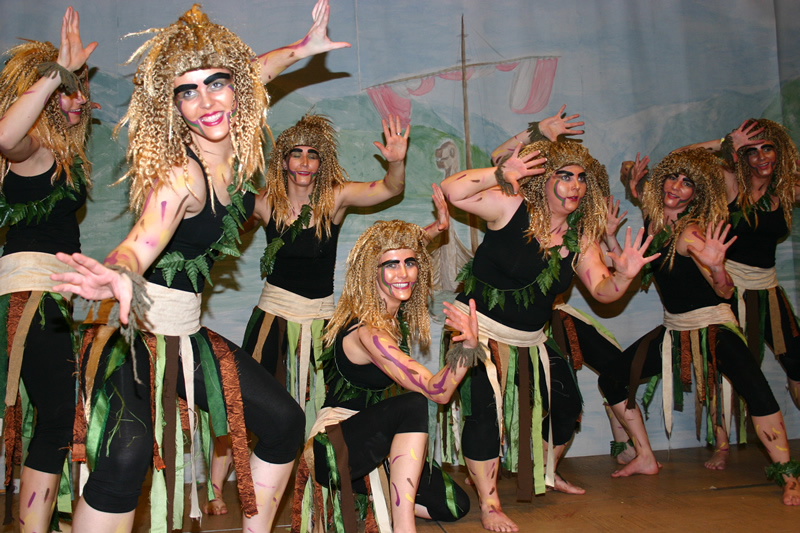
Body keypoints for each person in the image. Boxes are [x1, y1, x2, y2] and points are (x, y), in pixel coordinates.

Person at [50, 6, 306, 532]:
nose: (206, 101)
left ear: (238, 87)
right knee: (125, 460)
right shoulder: (181, 174)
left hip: (188, 333)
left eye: (217, 83)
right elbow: (141, 240)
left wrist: (305, 47)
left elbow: (259, 70)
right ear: (172, 106)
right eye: (187, 91)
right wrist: (120, 270)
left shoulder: (236, 147)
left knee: (284, 422)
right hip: (137, 334)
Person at [439, 138, 656, 532]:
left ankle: (547, 471)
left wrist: (624, 275)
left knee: (567, 403)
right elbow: (452, 191)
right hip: (476, 332)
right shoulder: (511, 206)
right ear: (544, 180)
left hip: (530, 341)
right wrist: (500, 172)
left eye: (581, 178)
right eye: (565, 176)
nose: (575, 185)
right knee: (484, 413)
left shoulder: (579, 238)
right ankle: (490, 504)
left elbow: (603, 290)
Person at [602, 149, 800, 504]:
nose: (676, 187)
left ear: (698, 194)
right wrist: (612, 235)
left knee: (757, 393)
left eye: (687, 183)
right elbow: (636, 187)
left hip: (713, 328)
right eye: (672, 178)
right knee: (613, 378)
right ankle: (644, 455)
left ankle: (789, 476)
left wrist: (718, 266)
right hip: (675, 330)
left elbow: (725, 291)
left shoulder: (691, 234)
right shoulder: (655, 220)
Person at [296, 219, 475, 533]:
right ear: (370, 271)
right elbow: (438, 391)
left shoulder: (390, 316)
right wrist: (468, 348)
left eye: (410, 263)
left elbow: (410, 246)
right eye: (391, 265)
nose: (403, 273)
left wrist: (434, 230)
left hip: (376, 445)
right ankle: (403, 527)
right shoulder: (369, 330)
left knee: (455, 504)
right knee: (414, 403)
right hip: (335, 451)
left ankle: (378, 498)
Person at [0, 7, 94, 531]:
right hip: (29, 296)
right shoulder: (33, 148)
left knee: (54, 413)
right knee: (59, 415)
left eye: (81, 89)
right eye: (68, 90)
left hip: (45, 297)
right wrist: (56, 73)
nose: (79, 99)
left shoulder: (58, 153)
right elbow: (4, 136)